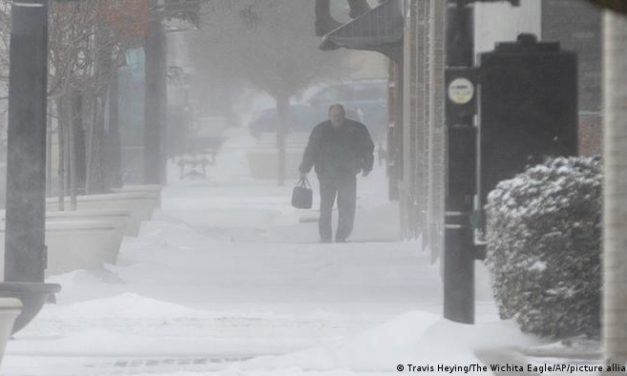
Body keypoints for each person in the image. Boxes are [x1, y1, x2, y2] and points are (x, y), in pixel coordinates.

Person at [299, 104, 375, 243]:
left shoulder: (356, 129)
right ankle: (325, 235)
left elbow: (367, 148)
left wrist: (367, 166)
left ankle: (342, 234)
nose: (336, 118)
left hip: (347, 173)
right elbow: (311, 150)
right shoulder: (320, 130)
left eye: (339, 115)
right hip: (325, 174)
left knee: (347, 205)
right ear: (329, 116)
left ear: (344, 115)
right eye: (334, 116)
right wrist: (304, 168)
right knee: (326, 206)